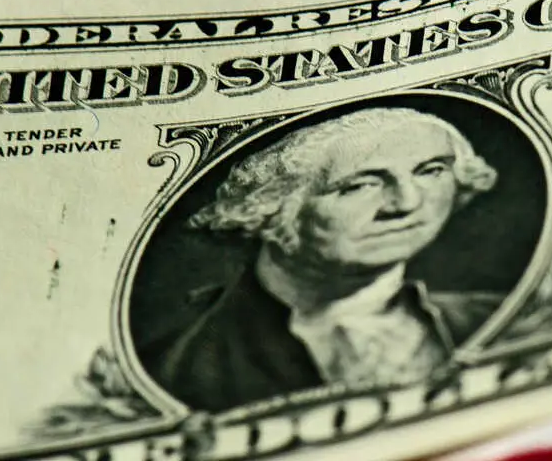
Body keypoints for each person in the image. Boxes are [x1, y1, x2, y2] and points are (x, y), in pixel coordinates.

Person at [140, 107, 505, 412]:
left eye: (431, 171)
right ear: (267, 209)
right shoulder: (177, 369)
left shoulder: (491, 317)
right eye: (359, 185)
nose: (407, 203)